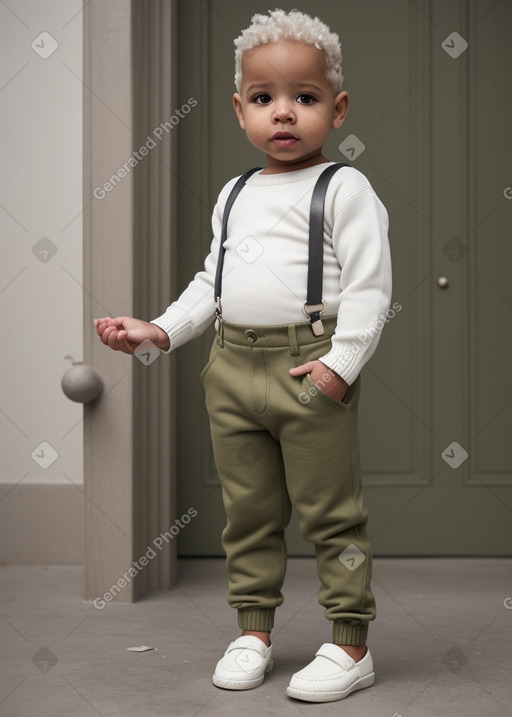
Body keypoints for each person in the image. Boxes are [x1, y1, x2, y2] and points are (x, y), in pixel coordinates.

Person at [95, 8, 392, 703]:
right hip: (230, 368)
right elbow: (212, 282)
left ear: (338, 107)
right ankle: (253, 630)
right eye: (264, 99)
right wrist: (160, 329)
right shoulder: (234, 195)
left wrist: (338, 366)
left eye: (305, 98)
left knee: (331, 512)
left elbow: (372, 290)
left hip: (307, 366)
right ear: (240, 109)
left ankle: (350, 642)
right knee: (248, 510)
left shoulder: (344, 188)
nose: (282, 114)